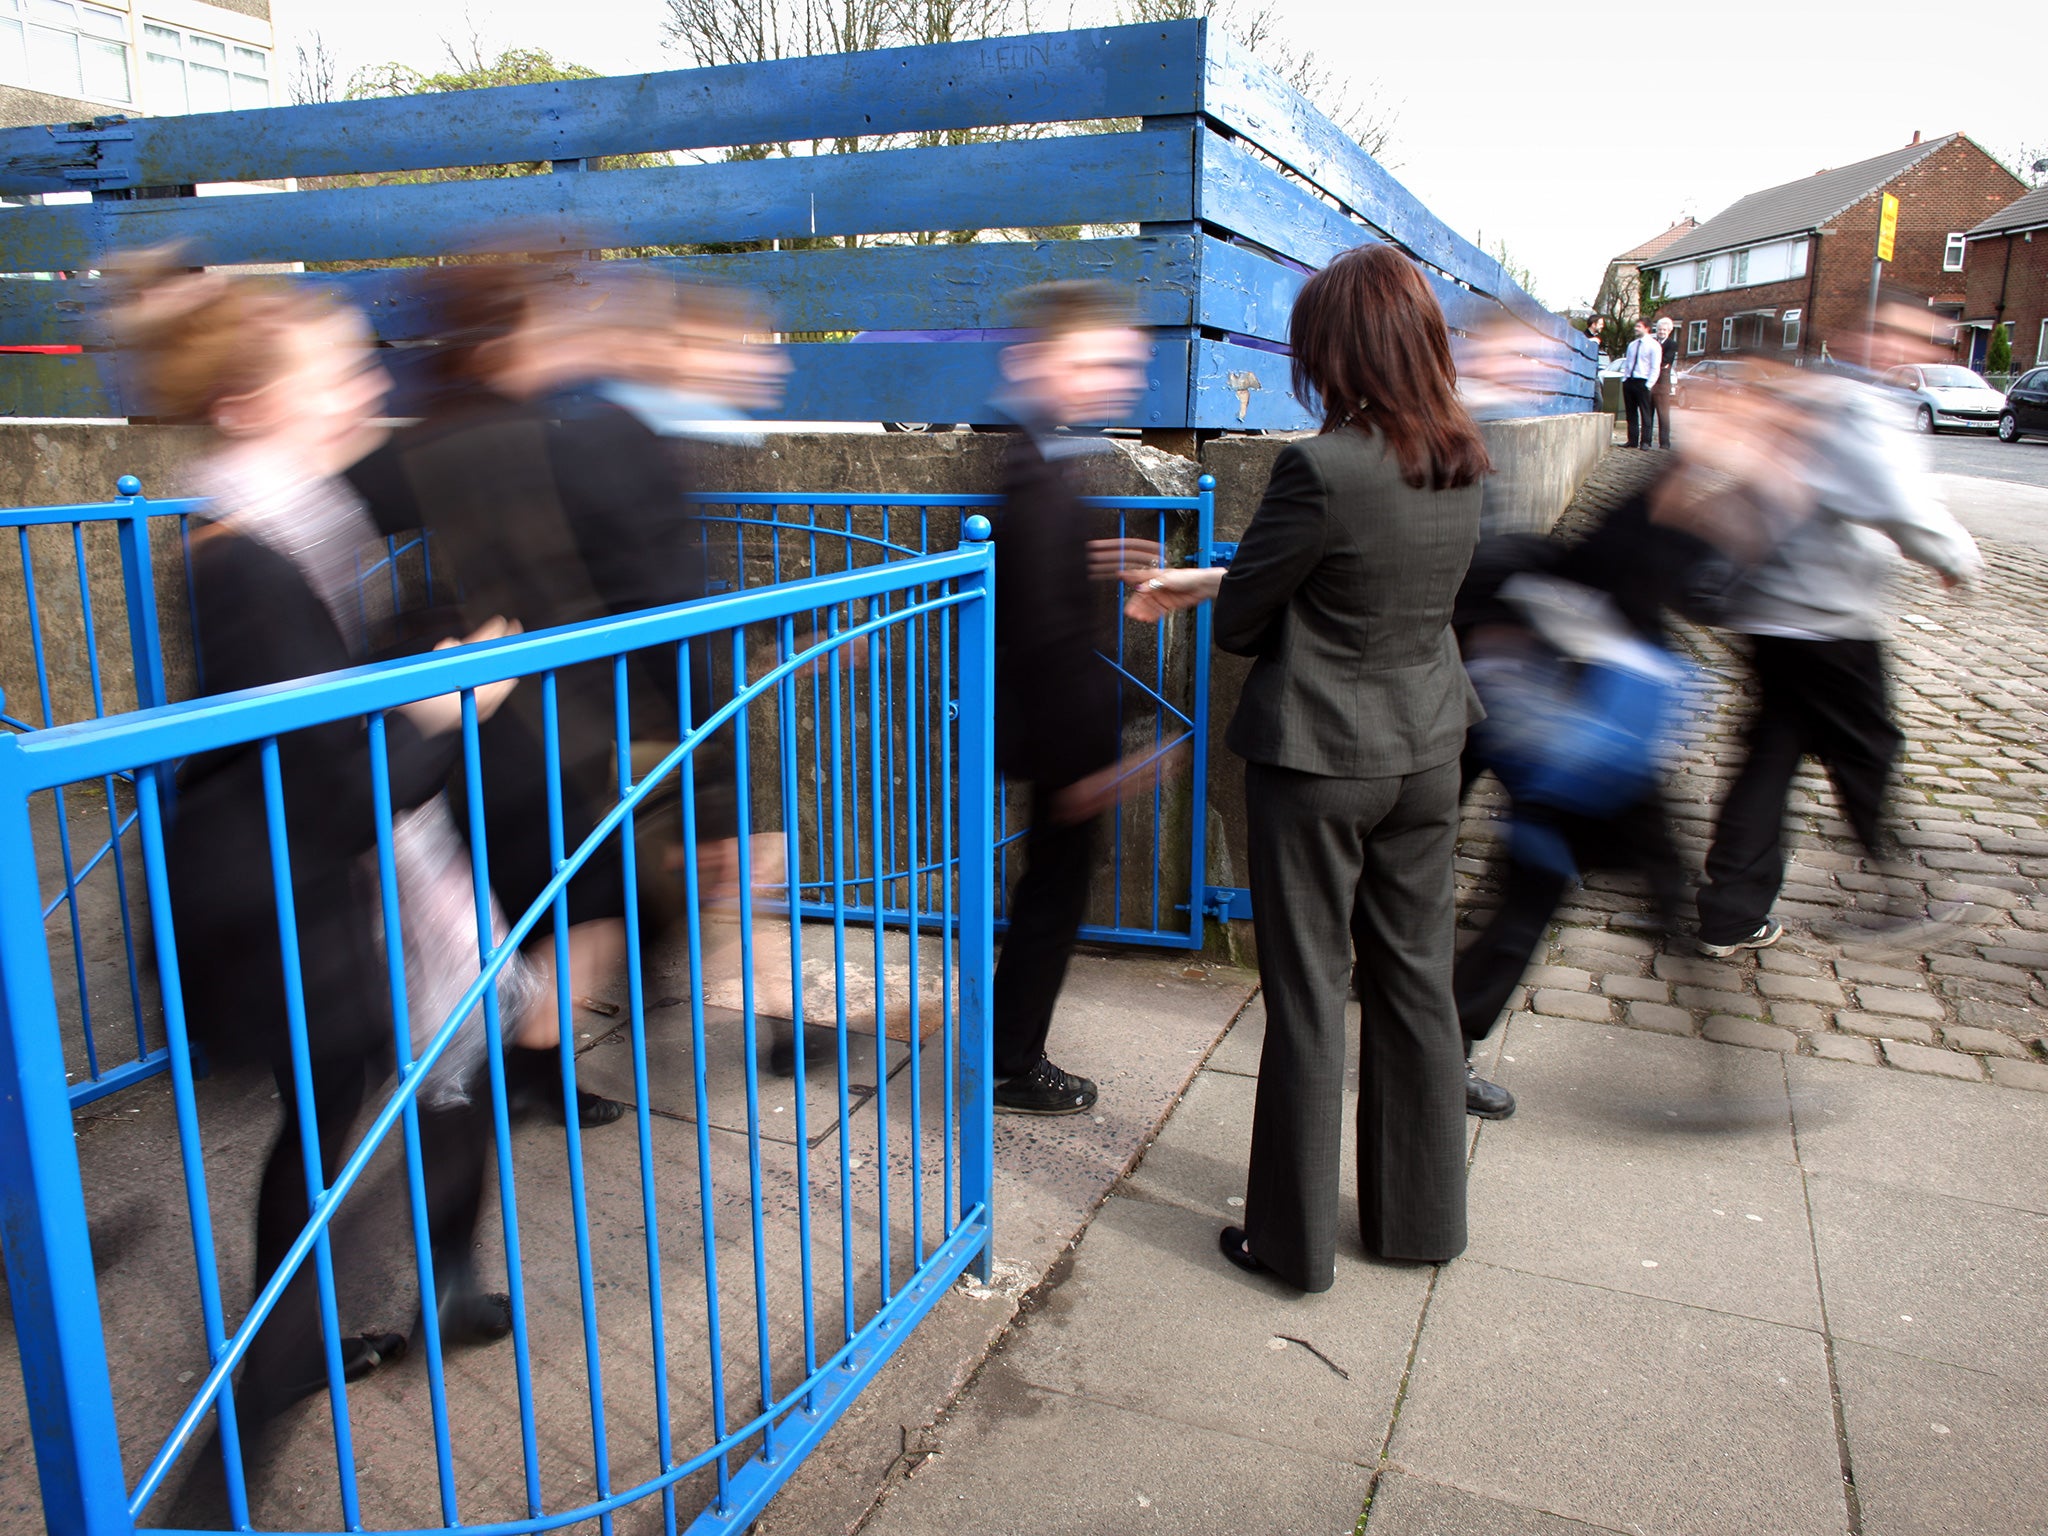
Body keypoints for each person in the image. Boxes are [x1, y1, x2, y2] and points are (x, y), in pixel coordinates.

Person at [109, 258, 525, 1464]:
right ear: (247, 403)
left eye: (361, 358)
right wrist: (452, 704)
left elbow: (326, 717)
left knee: (333, 1115)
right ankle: (235, 1437)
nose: (360, 383)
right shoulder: (245, 556)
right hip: (272, 903)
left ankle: (286, 1353)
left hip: (305, 893)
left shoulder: (301, 519)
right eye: (331, 368)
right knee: (331, 1117)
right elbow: (334, 779)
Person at [1123, 243, 1489, 1290]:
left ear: (1335, 352)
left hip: (1319, 760)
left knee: (1309, 993)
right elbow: (1357, 573)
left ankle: (1288, 1244)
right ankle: (1419, 1222)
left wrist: (1219, 586)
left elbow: (1245, 623)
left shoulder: (1318, 467)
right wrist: (1220, 573)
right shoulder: (1459, 455)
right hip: (1425, 750)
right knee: (1417, 984)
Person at [1691, 335, 1982, 957]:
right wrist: (1954, 557)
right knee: (1867, 752)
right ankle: (1908, 895)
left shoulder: (1786, 407)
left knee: (1770, 760)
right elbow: (1894, 500)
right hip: (1829, 620)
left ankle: (1730, 913)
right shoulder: (1845, 405)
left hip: (1771, 620)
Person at [987, 281, 1161, 1115]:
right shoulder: (1034, 472)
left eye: (1121, 363)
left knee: (1048, 896)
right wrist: (1087, 768)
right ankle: (1013, 1061)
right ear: (1038, 361)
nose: (1113, 377)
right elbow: (1043, 634)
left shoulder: (1045, 457)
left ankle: (1011, 1050)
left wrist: (1094, 559)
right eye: (1094, 359)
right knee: (1050, 901)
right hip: (1061, 740)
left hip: (1059, 735)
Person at [1622, 318, 1661, 449]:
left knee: (1645, 413)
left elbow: (1655, 367)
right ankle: (1632, 440)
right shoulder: (1632, 345)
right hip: (1630, 381)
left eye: (1638, 326)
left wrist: (1648, 384)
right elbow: (1628, 363)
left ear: (1647, 328)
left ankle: (1645, 441)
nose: (1636, 328)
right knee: (1631, 413)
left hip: (1643, 381)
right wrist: (1625, 379)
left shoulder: (1654, 345)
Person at [1651, 316, 1680, 448]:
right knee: (1647, 413)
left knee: (1663, 414)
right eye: (1659, 329)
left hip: (1662, 384)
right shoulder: (1652, 342)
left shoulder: (1671, 344)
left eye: (1664, 330)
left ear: (1669, 331)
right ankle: (1646, 440)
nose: (1661, 332)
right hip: (1650, 383)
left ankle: (1664, 442)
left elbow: (1666, 361)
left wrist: (1654, 365)